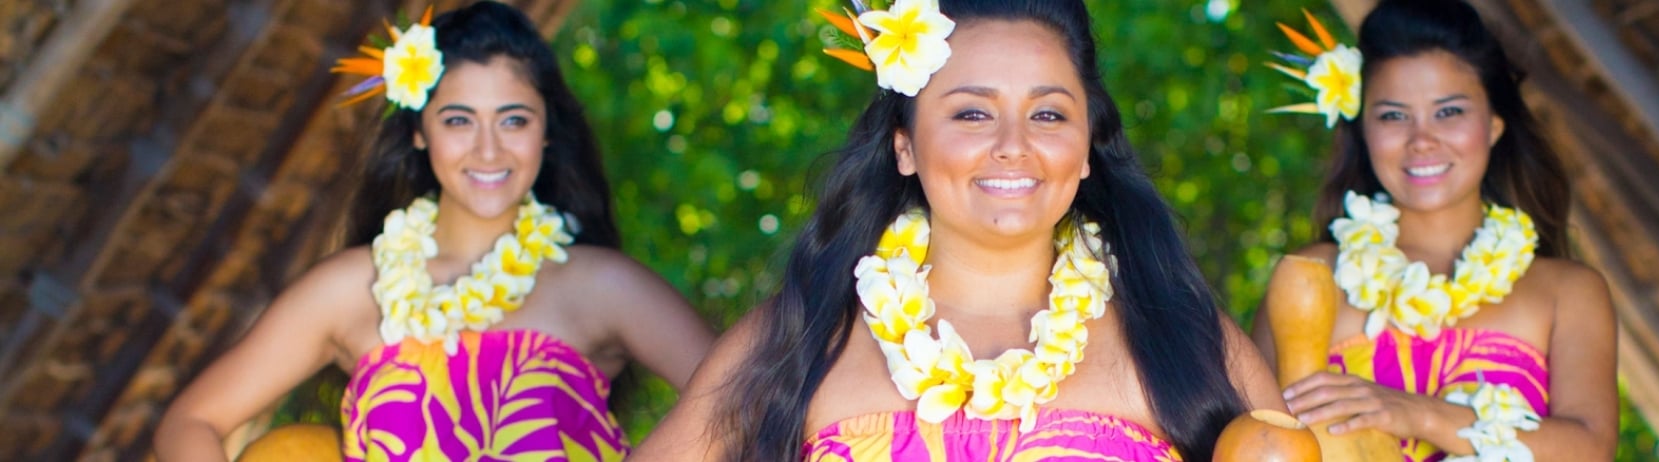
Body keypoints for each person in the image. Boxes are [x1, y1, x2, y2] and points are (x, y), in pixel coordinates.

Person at [630, 0, 1283, 460]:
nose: (1012, 146)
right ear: (905, 146)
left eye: (1049, 115)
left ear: (1086, 148)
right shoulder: (802, 336)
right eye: (972, 113)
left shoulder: (1181, 340)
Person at [153, 3, 714, 460]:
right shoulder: (351, 289)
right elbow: (191, 420)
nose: (488, 148)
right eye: (458, 120)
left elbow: (756, 405)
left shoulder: (605, 288)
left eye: (514, 119)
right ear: (420, 133)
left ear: (546, 132)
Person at [1252, 0, 1619, 460]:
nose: (1422, 139)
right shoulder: (1312, 277)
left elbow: (1591, 449)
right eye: (1393, 115)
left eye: (1448, 112)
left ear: (1494, 125)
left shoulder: (1568, 291)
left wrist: (1419, 414)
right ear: (1363, 130)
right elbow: (1256, 439)